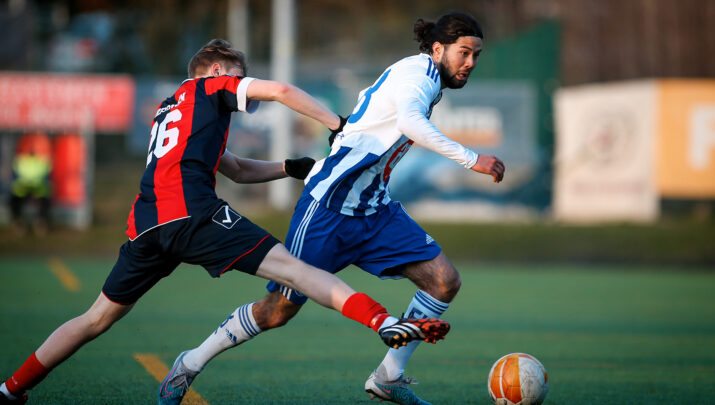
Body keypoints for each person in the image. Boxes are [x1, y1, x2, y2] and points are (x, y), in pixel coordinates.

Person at [0, 39, 451, 404]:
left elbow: (234, 168)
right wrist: (339, 124)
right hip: (194, 216)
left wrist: (287, 168)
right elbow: (280, 91)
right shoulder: (211, 89)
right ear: (216, 72)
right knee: (299, 272)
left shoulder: (169, 108)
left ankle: (12, 387)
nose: (242, 81)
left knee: (95, 318)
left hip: (147, 226)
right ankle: (380, 322)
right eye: (237, 71)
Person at [160, 12, 504, 405]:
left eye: (476, 55)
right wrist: (471, 158)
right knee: (277, 311)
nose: (470, 63)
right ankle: (190, 362)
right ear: (438, 48)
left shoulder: (427, 79)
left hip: (374, 209)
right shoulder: (419, 74)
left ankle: (389, 377)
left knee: (444, 281)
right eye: (464, 53)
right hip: (329, 207)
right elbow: (409, 121)